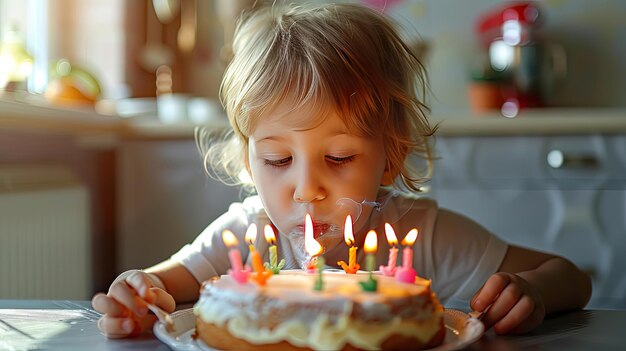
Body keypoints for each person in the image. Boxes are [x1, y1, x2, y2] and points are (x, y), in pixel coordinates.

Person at [92, 2, 591, 339]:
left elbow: (568, 275)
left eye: (339, 158)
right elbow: (162, 283)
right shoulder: (247, 233)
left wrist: (532, 293)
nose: (307, 189)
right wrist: (136, 295)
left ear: (390, 154)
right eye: (279, 160)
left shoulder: (421, 233)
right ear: (249, 162)